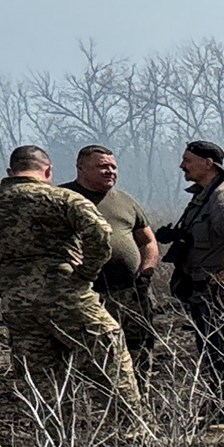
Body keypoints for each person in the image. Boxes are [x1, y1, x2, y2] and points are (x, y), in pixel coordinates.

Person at [0, 145, 142, 409]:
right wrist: (85, 274)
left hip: (18, 305)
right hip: (67, 297)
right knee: (109, 355)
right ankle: (131, 433)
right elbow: (100, 233)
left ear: (10, 171)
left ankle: (56, 441)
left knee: (41, 377)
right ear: (48, 170)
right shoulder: (63, 199)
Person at [163, 138, 224, 427]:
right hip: (202, 289)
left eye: (188, 161)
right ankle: (223, 407)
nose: (182, 166)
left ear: (208, 163)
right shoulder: (205, 195)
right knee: (212, 350)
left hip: (220, 291)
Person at [67, 143, 161, 377]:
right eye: (102, 167)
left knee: (138, 355)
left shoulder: (125, 201)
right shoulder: (64, 199)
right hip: (87, 296)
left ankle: (139, 406)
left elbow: (148, 241)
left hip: (131, 294)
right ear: (81, 168)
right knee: (95, 358)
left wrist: (146, 271)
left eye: (113, 167)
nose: (110, 171)